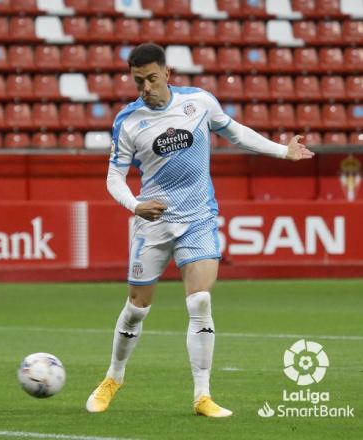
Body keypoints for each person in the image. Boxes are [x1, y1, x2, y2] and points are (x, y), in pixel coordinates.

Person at [86, 43, 314, 417]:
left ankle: (202, 395)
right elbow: (114, 177)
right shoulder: (127, 121)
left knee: (200, 301)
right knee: (137, 309)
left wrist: (281, 151)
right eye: (138, 80)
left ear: (168, 73)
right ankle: (114, 376)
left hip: (198, 218)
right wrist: (134, 205)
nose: (145, 87)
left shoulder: (199, 102)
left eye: (152, 78)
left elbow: (236, 132)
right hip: (153, 223)